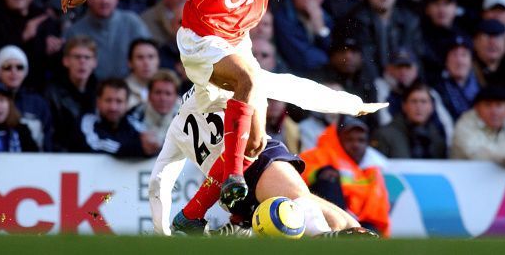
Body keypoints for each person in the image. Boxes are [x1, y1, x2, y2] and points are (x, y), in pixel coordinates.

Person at [61, 0, 368, 210]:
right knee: (249, 79)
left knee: (255, 142)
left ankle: (194, 215)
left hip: (239, 42)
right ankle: (234, 177)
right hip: (200, 42)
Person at [150, 78, 382, 237]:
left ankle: (243, 233)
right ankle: (320, 238)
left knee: (347, 225)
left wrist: (164, 230)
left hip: (232, 190)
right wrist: (350, 104)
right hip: (256, 159)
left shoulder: (176, 126)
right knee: (313, 212)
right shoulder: (224, 75)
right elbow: (285, 86)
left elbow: (158, 180)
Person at [300, 116, 390, 236]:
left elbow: (379, 214)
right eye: (350, 140)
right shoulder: (320, 156)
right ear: (339, 140)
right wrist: (319, 173)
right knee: (328, 179)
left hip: (364, 224)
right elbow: (296, 175)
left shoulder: (374, 167)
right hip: (331, 220)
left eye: (361, 140)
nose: (356, 145)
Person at [80, 78, 161, 157]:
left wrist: (152, 146)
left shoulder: (132, 122)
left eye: (119, 101)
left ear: (127, 104)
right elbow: (97, 144)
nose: (113, 107)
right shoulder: (87, 121)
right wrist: (138, 148)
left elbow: (149, 142)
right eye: (108, 100)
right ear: (98, 102)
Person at [45, 36, 98, 152]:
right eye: (77, 57)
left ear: (94, 63)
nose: (82, 62)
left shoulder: (101, 93)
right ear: (66, 61)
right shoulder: (52, 93)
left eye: (87, 57)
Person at [372, 82, 448, 159]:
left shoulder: (438, 138)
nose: (419, 107)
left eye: (423, 102)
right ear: (404, 106)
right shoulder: (385, 135)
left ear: (431, 107)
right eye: (414, 101)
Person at [127, 69, 181, 149]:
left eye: (168, 94)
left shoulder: (187, 120)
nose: (163, 98)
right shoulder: (132, 117)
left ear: (176, 97)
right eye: (158, 92)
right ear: (149, 95)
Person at [125, 38, 161, 108]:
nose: (146, 63)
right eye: (140, 57)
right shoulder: (121, 91)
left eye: (151, 57)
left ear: (158, 61)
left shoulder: (171, 91)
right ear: (130, 63)